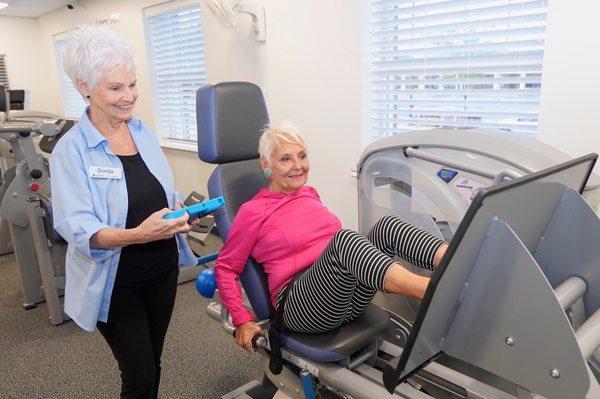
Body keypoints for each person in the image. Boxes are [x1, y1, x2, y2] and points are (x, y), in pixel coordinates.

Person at [50, 25, 197, 399]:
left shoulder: (142, 131)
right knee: (139, 375)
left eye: (131, 84)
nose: (129, 96)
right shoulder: (73, 151)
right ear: (84, 87)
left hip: (161, 270)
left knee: (155, 362)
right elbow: (79, 228)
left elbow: (160, 192)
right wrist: (137, 236)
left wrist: (180, 212)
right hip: (116, 282)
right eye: (115, 88)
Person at [215, 122, 448, 352]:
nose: (298, 166)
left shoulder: (309, 194)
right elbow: (225, 267)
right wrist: (241, 320)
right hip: (302, 307)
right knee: (345, 240)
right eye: (285, 159)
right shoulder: (253, 211)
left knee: (388, 226)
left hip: (342, 298)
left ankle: (455, 264)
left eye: (302, 156)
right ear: (267, 164)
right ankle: (434, 293)